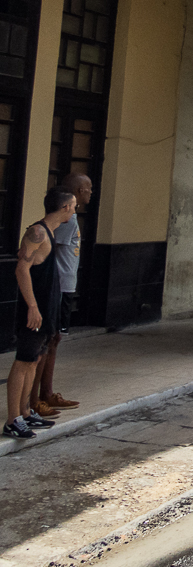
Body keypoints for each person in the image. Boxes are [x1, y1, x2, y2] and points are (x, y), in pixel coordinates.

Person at [5, 187, 76, 439]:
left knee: (34, 360)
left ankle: (25, 412)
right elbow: (21, 270)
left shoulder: (49, 233)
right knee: (24, 361)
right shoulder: (37, 232)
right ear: (65, 207)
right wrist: (33, 307)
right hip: (34, 311)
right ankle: (13, 419)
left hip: (47, 310)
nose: (75, 210)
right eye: (74, 205)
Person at [28, 173, 91, 420]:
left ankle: (46, 393)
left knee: (54, 341)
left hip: (66, 285)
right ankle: (37, 398)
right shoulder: (66, 220)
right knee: (48, 341)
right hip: (60, 286)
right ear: (75, 191)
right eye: (87, 188)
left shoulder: (71, 217)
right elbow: (50, 250)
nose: (90, 193)